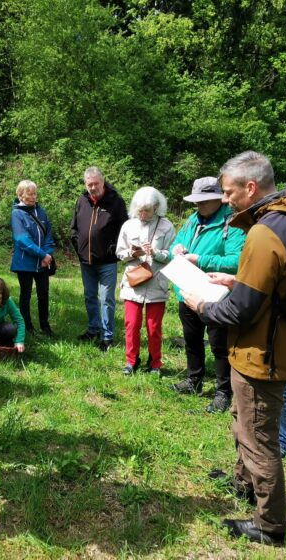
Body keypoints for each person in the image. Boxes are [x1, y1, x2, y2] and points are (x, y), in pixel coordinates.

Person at [181, 151, 286, 545]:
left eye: (228, 192)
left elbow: (242, 311)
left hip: (264, 354)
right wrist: (234, 280)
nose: (225, 200)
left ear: (251, 188)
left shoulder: (263, 233)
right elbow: (269, 288)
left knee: (259, 438)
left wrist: (203, 305)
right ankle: (243, 482)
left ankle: (270, 525)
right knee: (244, 420)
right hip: (273, 346)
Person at [169, 177, 245, 414]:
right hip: (187, 292)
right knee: (192, 340)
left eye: (203, 201)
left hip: (215, 296)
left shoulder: (232, 222)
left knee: (219, 345)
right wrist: (177, 250)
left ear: (217, 198)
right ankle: (194, 381)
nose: (198, 206)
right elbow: (177, 244)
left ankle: (223, 392)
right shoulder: (193, 220)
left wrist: (200, 259)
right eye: (196, 201)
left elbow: (237, 260)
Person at [115, 187, 176, 375]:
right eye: (140, 210)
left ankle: (155, 363)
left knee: (154, 327)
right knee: (131, 325)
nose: (142, 214)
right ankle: (131, 361)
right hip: (133, 283)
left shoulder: (167, 226)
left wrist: (155, 253)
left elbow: (173, 255)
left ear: (156, 207)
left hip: (156, 283)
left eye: (147, 210)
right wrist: (132, 253)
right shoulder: (128, 225)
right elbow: (119, 252)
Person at [70, 167, 128, 351]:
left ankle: (107, 337)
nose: (92, 187)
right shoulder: (82, 200)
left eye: (96, 183)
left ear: (103, 182)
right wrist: (79, 248)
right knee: (89, 297)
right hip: (86, 261)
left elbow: (124, 230)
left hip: (107, 262)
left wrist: (113, 250)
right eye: (89, 184)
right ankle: (93, 329)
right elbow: (74, 228)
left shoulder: (116, 202)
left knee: (106, 299)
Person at [10, 180, 55, 337]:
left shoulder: (41, 212)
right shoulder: (17, 214)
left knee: (44, 293)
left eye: (35, 193)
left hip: (43, 263)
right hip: (25, 263)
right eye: (29, 194)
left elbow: (49, 235)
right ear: (21, 195)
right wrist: (42, 254)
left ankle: (45, 325)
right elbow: (22, 239)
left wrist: (48, 254)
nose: (33, 197)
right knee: (26, 294)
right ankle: (27, 326)